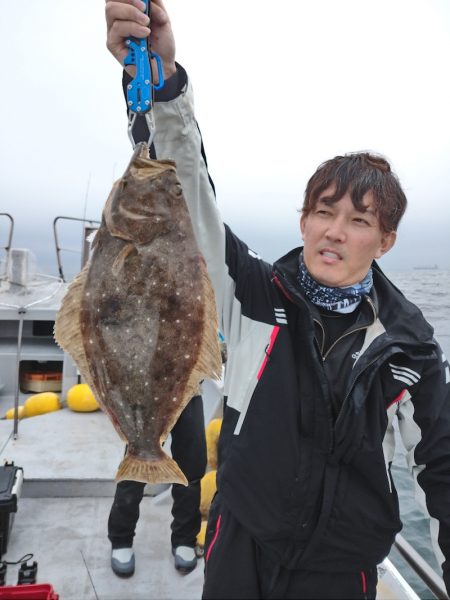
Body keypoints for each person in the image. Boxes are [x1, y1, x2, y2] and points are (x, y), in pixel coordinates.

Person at [105, 2, 450, 598]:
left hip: (342, 570)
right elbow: (190, 192)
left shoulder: (409, 346)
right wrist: (163, 86)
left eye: (359, 220)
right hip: (242, 547)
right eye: (323, 212)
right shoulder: (255, 295)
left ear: (386, 240)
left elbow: (440, 463)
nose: (335, 232)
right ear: (303, 221)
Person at [108, 394, 207, 577]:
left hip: (190, 391)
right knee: (135, 467)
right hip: (147, 393)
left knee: (191, 468)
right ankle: (121, 539)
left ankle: (185, 538)